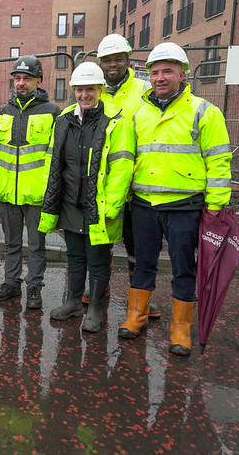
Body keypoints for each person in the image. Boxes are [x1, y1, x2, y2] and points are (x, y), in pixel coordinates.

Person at [118, 42, 232, 356]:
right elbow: (128, 157)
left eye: (167, 71)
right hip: (144, 203)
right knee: (143, 263)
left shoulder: (203, 111)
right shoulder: (140, 112)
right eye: (155, 72)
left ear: (183, 74)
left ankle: (180, 330)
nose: (160, 77)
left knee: (184, 267)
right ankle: (136, 317)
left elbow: (219, 160)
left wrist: (216, 204)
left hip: (185, 205)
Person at [38, 62, 135, 332]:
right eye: (79, 90)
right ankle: (72, 301)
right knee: (75, 255)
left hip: (99, 205)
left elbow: (122, 167)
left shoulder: (116, 122)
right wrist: (52, 198)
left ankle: (94, 308)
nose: (84, 95)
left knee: (98, 258)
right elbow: (53, 162)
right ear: (73, 91)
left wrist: (113, 205)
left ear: (101, 89)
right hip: (70, 202)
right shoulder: (64, 120)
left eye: (90, 89)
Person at [83, 34, 160, 319]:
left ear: (128, 59)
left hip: (136, 182)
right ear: (100, 62)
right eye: (107, 60)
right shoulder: (95, 90)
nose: (112, 64)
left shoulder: (144, 90)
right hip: (101, 182)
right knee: (100, 239)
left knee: (137, 245)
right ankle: (99, 287)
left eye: (117, 59)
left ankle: (140, 298)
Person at [0, 55, 59, 310]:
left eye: (27, 78)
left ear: (38, 80)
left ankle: (34, 288)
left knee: (38, 245)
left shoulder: (52, 112)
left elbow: (57, 156)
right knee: (11, 243)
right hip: (7, 192)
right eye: (17, 78)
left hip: (38, 193)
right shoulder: (2, 112)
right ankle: (11, 283)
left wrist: (52, 191)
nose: (21, 83)